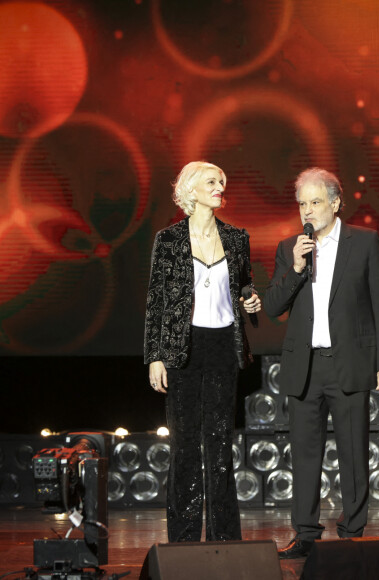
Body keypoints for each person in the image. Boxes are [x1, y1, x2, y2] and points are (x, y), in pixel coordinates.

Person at [264, 167, 379, 559]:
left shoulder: (365, 242)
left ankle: (353, 532)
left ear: (336, 203)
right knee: (305, 455)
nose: (307, 210)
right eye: (302, 203)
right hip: (305, 366)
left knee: (353, 453)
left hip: (350, 364)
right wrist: (296, 268)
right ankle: (305, 534)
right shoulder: (291, 247)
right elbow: (273, 307)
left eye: (315, 202)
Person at [144, 160, 261, 543]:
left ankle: (225, 538)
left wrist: (251, 301)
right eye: (211, 181)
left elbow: (244, 287)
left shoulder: (237, 237)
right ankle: (183, 540)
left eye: (221, 182)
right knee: (184, 446)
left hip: (223, 347)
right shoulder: (169, 240)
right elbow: (157, 301)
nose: (219, 187)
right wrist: (155, 355)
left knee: (219, 445)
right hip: (183, 349)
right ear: (190, 190)